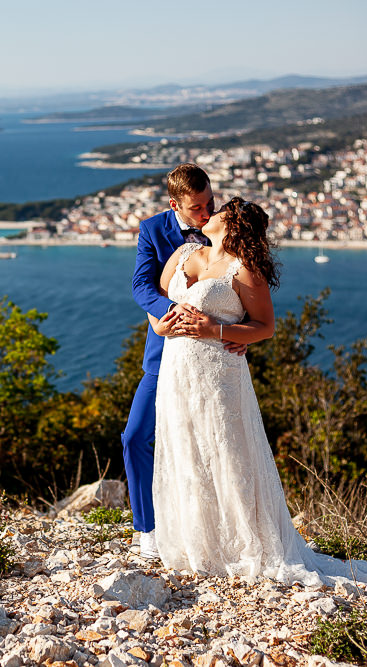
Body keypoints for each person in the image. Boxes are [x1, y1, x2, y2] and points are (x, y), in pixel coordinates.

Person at [149, 197, 367, 597]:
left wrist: (218, 331)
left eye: (217, 211)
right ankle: (198, 543)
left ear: (231, 224)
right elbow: (157, 300)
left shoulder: (244, 269)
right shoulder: (185, 253)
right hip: (176, 369)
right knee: (186, 448)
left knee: (227, 451)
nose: (208, 214)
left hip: (219, 374)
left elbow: (265, 327)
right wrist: (162, 328)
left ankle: (243, 544)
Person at [123, 163, 245, 560]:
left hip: (214, 359)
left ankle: (221, 534)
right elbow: (141, 285)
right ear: (175, 204)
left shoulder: (227, 225)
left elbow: (243, 287)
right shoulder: (152, 230)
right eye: (197, 208)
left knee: (215, 446)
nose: (207, 213)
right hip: (164, 355)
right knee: (135, 437)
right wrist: (170, 310)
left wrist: (239, 331)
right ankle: (148, 529)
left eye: (210, 201)